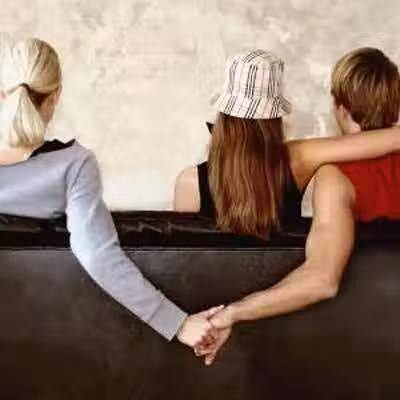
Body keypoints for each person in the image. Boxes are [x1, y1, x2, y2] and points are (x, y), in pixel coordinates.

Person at [173, 49, 400, 364]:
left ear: (224, 112)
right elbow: (388, 140)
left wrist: (221, 315)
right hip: (289, 320)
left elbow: (184, 267)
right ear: (275, 117)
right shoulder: (299, 160)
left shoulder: (189, 182)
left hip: (215, 327)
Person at [0, 37, 221, 351]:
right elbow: (97, 256)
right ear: (56, 94)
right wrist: (178, 323)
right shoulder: (73, 164)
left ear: (2, 93)